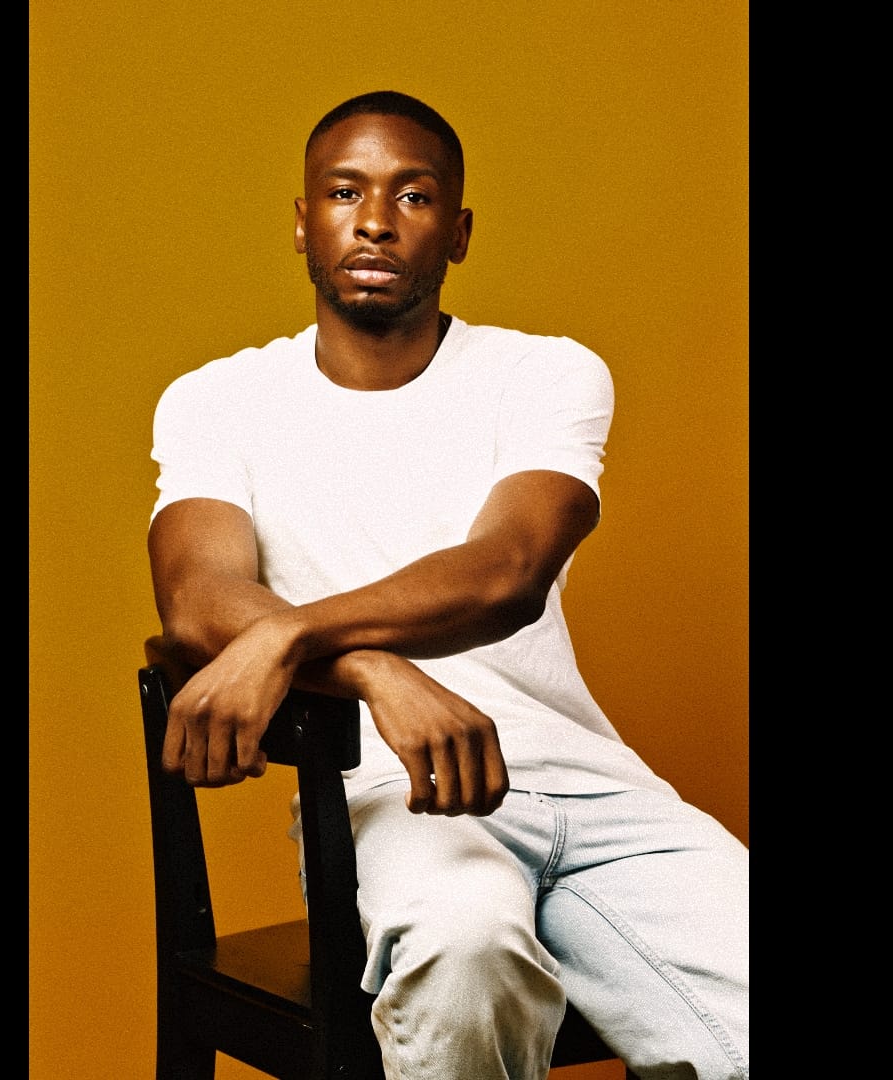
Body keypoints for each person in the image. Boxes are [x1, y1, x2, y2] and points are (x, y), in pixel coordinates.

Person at [147, 90, 749, 1080]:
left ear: (458, 232)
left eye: (413, 196)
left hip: (597, 795)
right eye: (345, 192)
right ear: (303, 221)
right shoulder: (219, 401)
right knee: (463, 954)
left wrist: (285, 637)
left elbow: (507, 571)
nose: (375, 221)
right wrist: (379, 673)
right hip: (396, 796)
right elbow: (197, 597)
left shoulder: (545, 374)